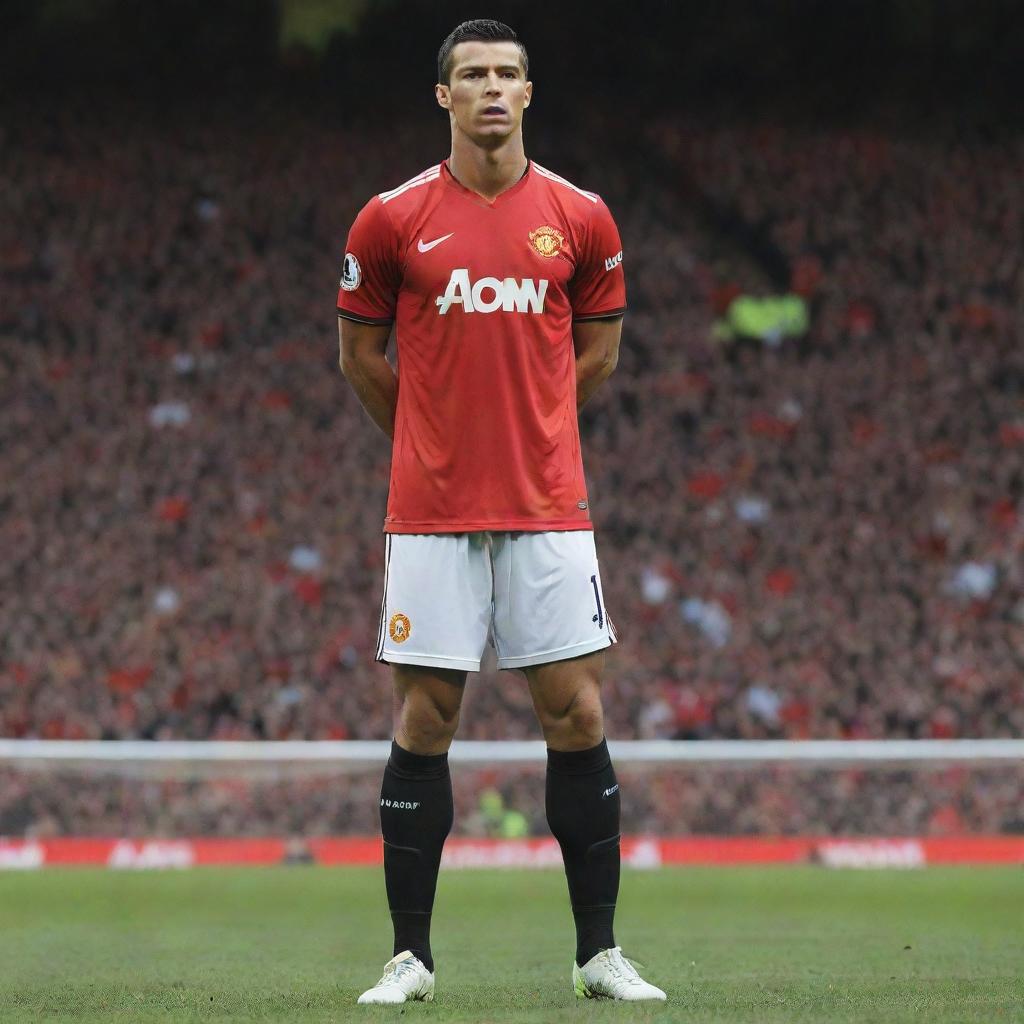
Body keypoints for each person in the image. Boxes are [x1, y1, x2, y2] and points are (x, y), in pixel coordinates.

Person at [336, 18, 666, 1005]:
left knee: (576, 709)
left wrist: (531, 438)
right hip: (430, 511)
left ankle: (598, 953)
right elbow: (360, 357)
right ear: (442, 95)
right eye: (472, 74)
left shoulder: (581, 216)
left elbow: (596, 353)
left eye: (508, 74)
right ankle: (409, 957)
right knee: (427, 714)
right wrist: (431, 444)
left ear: (529, 93)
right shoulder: (389, 219)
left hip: (546, 507)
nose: (491, 88)